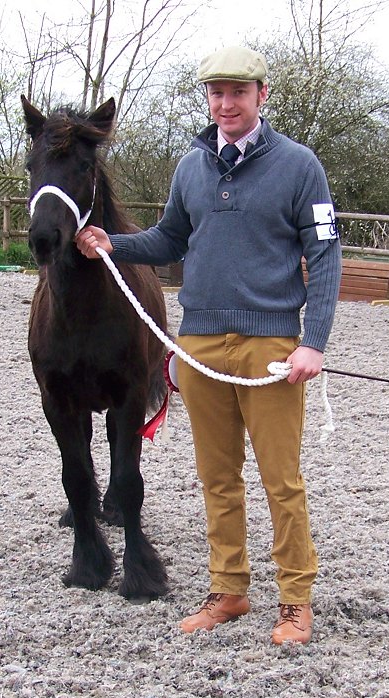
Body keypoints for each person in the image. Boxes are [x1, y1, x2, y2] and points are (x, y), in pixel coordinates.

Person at [75, 46, 341, 645]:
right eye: (216, 93)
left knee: (281, 479)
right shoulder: (191, 167)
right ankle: (229, 589)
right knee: (217, 478)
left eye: (238, 92)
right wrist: (111, 243)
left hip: (269, 346)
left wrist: (313, 342)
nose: (226, 103)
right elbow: (170, 237)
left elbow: (324, 255)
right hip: (198, 344)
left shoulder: (300, 167)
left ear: (261, 95)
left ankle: (296, 599)